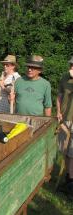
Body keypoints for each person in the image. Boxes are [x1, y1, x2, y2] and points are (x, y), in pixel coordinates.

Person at [57, 56, 73, 194]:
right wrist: (58, 111)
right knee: (65, 150)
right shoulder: (64, 77)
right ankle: (68, 178)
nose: (71, 67)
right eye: (71, 64)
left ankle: (70, 181)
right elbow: (60, 95)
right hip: (65, 118)